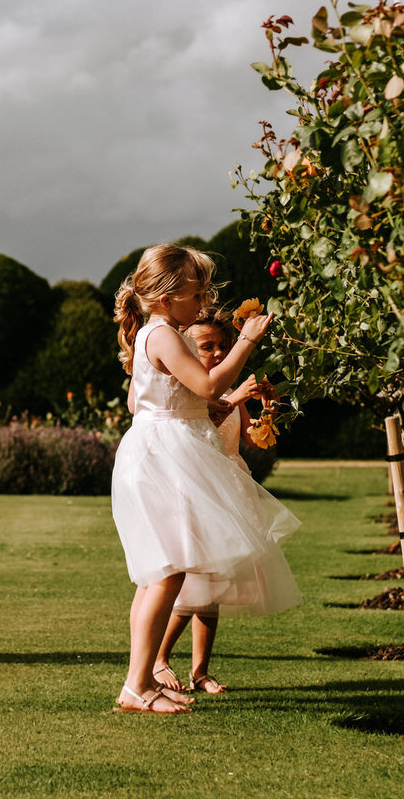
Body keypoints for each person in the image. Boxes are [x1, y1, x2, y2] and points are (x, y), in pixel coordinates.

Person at [110, 244, 301, 713]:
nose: (202, 305)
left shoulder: (155, 335)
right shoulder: (165, 336)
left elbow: (146, 403)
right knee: (167, 572)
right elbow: (209, 384)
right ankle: (137, 687)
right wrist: (248, 341)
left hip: (158, 452)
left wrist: (197, 409)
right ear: (166, 295)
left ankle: (141, 682)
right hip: (166, 459)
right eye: (195, 296)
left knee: (160, 573)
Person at [152, 311, 272, 695]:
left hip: (230, 493)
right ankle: (157, 658)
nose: (218, 353)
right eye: (208, 347)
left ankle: (200, 670)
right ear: (187, 348)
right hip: (199, 493)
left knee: (215, 587)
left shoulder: (229, 393)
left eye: (223, 346)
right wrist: (234, 397)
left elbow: (253, 439)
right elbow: (202, 431)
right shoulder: (189, 394)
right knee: (192, 584)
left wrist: (266, 409)